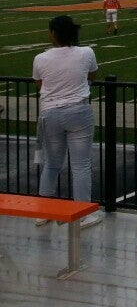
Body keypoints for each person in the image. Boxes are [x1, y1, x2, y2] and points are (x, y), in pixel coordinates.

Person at [32, 16, 102, 228]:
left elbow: (39, 84)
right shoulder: (86, 53)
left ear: (54, 33)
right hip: (78, 110)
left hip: (50, 111)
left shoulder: (40, 58)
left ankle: (43, 211)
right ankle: (83, 213)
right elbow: (92, 75)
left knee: (51, 164)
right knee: (81, 164)